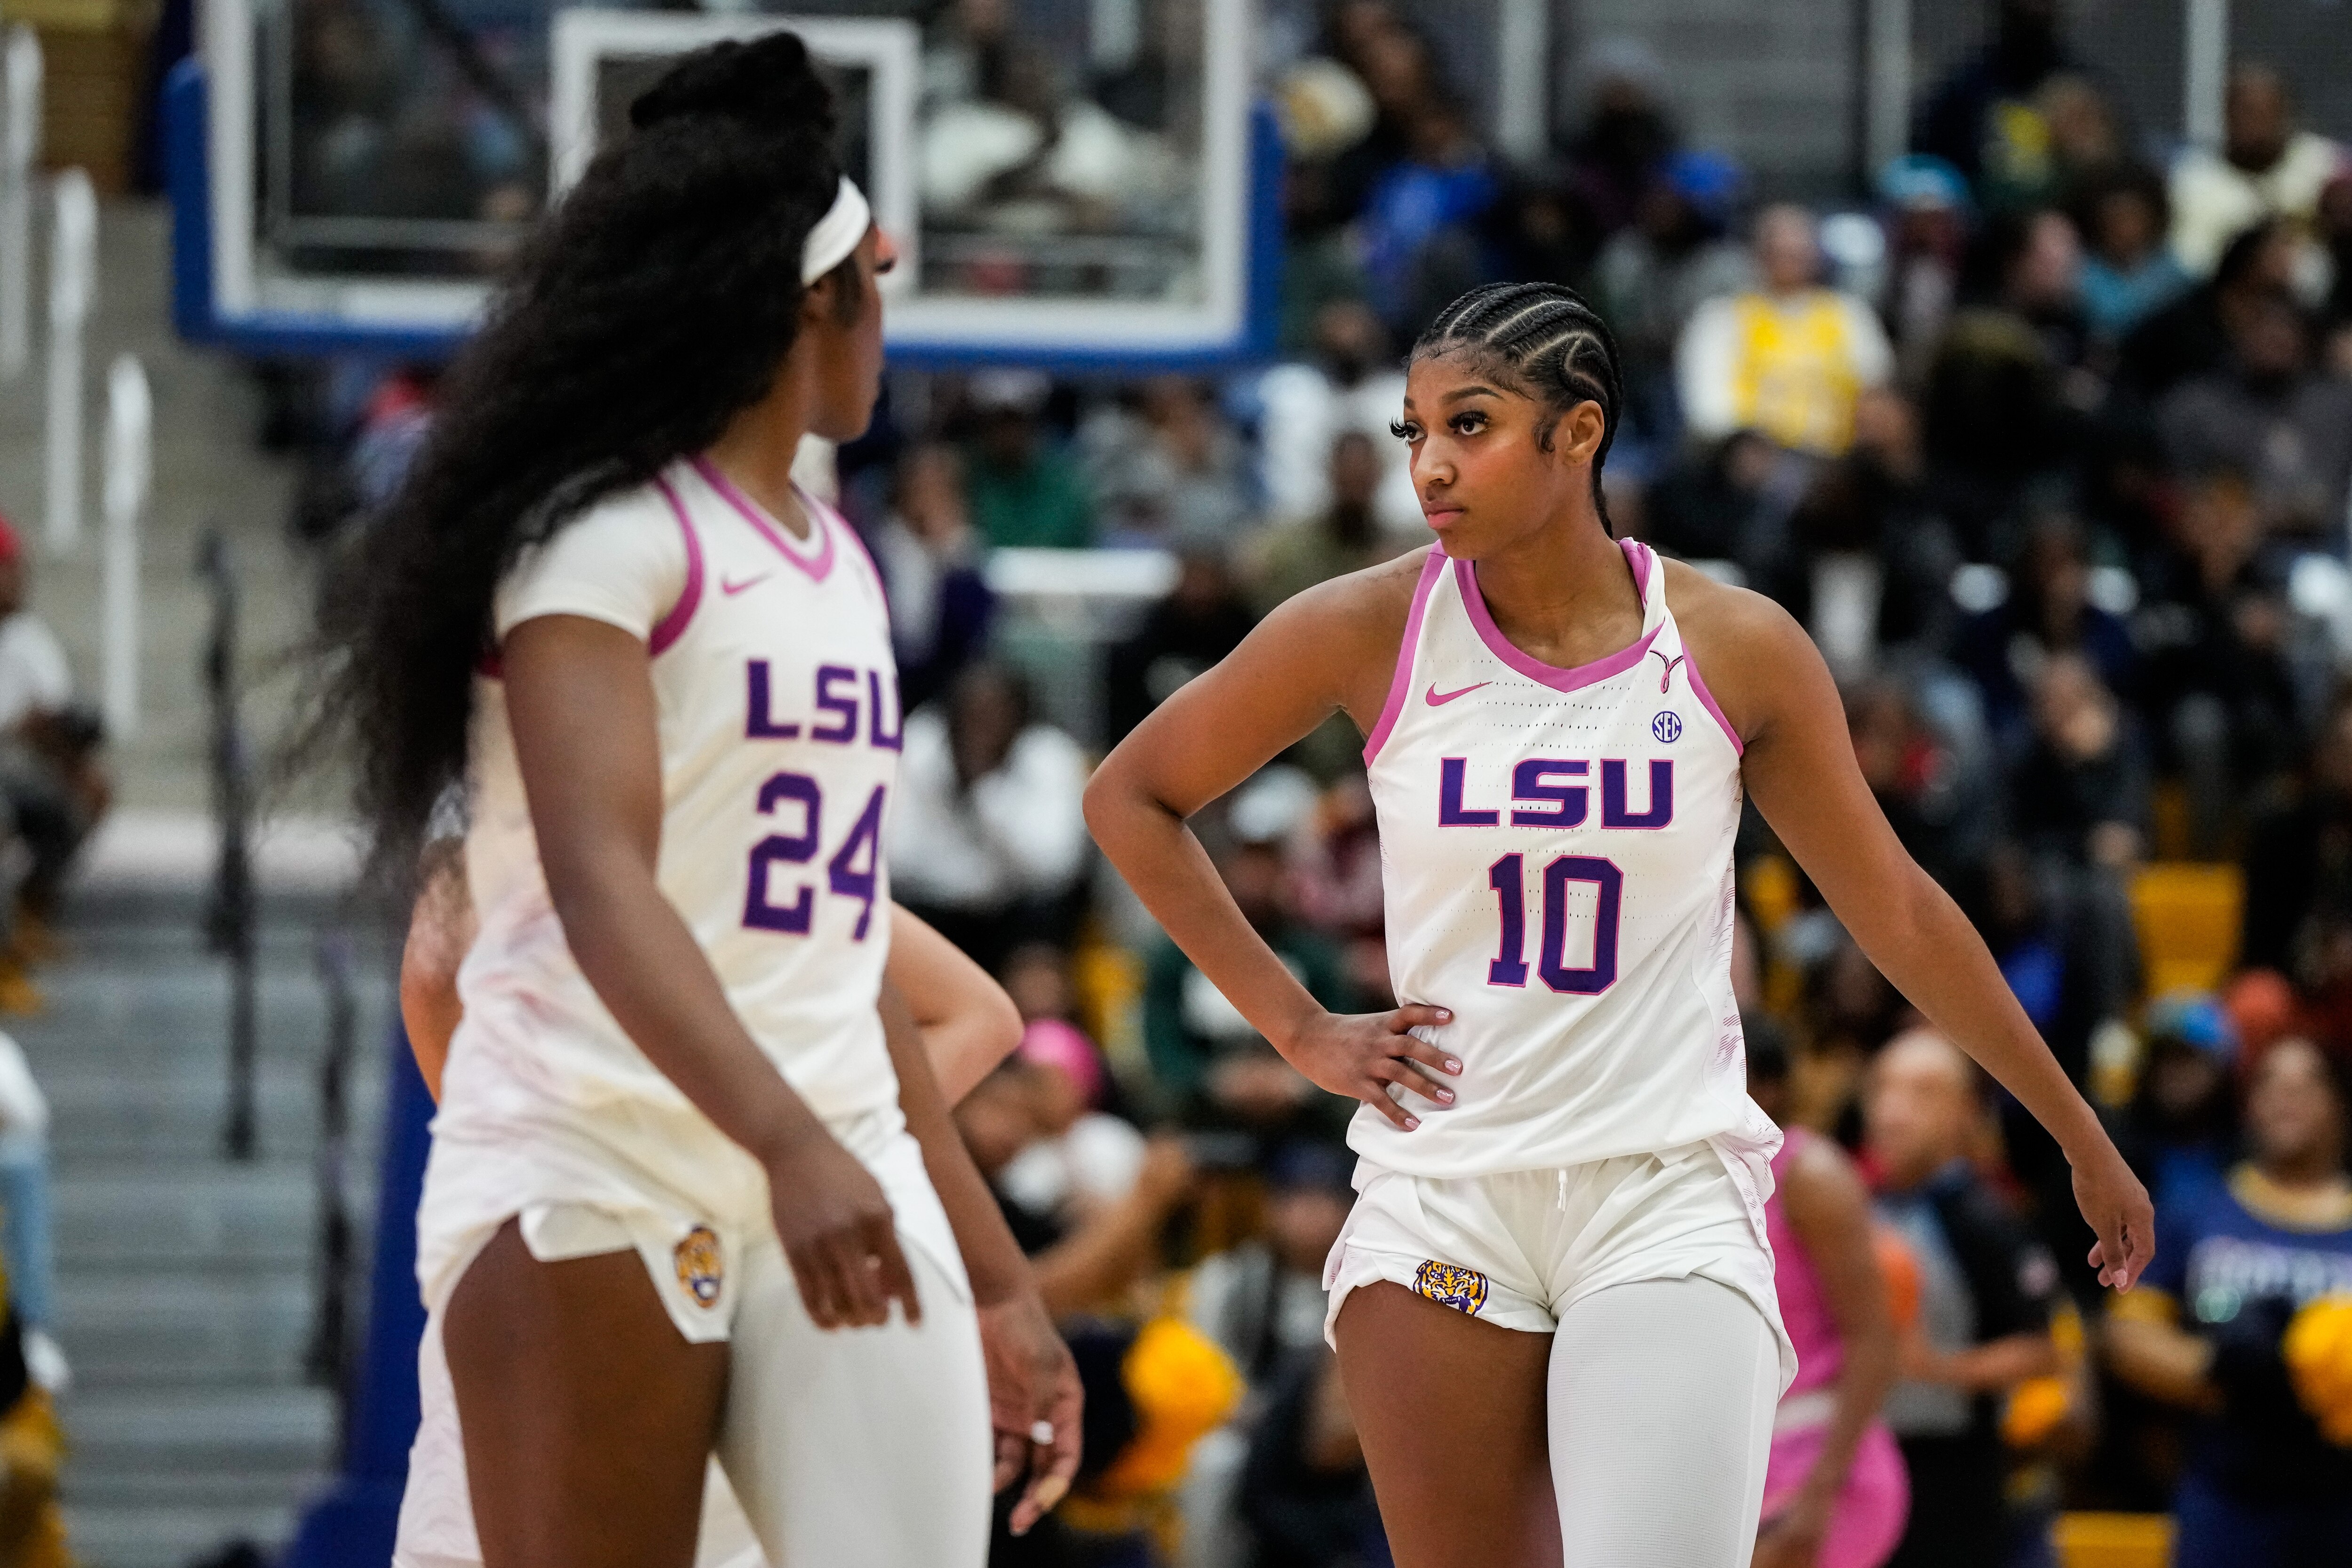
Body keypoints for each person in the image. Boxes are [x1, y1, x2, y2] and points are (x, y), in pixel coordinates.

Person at [1082, 280, 2152, 1568]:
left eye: (1470, 424)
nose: (1430, 464)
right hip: (1444, 1190)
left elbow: (1901, 909)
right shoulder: (1366, 626)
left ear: (1577, 432)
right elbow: (1130, 797)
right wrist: (1300, 1027)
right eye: (1415, 429)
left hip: (1661, 1187)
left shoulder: (1732, 645)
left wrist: (2074, 1127)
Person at [306, 35, 1079, 1568]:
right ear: (801, 304)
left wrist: (998, 1277)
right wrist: (786, 1142)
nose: (891, 309)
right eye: (873, 279)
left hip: (830, 1149)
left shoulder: (838, 558)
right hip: (604, 1161)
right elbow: (597, 880)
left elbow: (842, 961)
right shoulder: (599, 542)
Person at [2106, 1037, 2352, 1568]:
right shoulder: (2195, 1210)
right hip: (2225, 1494)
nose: (2285, 1100)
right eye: (2270, 1085)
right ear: (2248, 1105)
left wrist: (2322, 1385)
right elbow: (2127, 1334)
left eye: (2305, 1086)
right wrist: (2220, 1374)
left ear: (2339, 1104)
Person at [1864, 1030, 2062, 1568]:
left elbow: (2043, 1349)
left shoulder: (1983, 1219)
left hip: (1954, 1479)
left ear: (1964, 1113)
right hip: (1866, 1460)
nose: (1892, 1112)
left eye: (1921, 1093)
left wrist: (1937, 1369)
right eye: (1883, 1089)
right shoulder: (1857, 1206)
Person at [1745, 1027, 1907, 1568]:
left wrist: (1820, 1492)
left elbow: (1873, 1338)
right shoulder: (1687, 1176)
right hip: (1740, 1460)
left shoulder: (1810, 1176)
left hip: (1819, 1462)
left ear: (1766, 1088)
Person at [886, 662, 1092, 975]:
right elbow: (895, 856)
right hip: (933, 907)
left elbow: (1055, 868)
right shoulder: (919, 746)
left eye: (995, 715)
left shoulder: (1051, 756)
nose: (982, 730)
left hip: (1017, 912)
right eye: (971, 717)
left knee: (1042, 948)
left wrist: (986, 793)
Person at [1677, 205, 1895, 457]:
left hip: (1838, 457)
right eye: (1780, 252)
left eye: (1799, 253)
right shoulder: (1721, 319)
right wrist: (1745, 443)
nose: (1790, 261)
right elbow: (1710, 408)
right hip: (1755, 455)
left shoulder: (1849, 314)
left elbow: (1874, 385)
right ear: (1759, 255)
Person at [2168, 64, 2347, 281]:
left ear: (2286, 115)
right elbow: (2193, 264)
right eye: (2242, 111)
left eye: (2264, 113)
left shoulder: (2326, 165)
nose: (2252, 123)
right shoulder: (2194, 180)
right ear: (2225, 114)